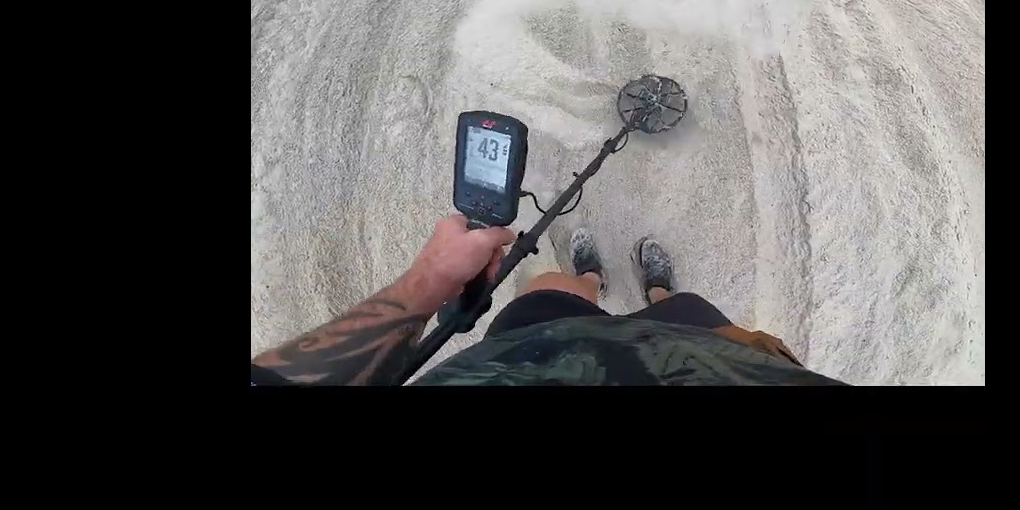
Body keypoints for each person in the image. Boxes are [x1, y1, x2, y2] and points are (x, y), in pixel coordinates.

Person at [251, 215, 845, 385]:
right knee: (686, 305)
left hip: (530, 353)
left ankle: (590, 283)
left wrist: (429, 283)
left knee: (552, 291)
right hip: (707, 358)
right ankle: (655, 293)